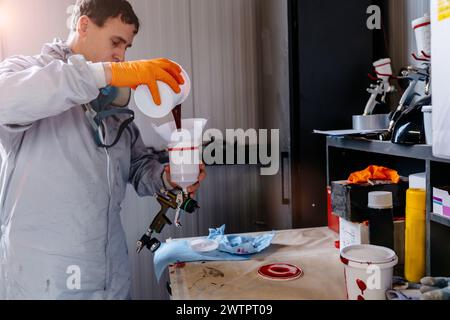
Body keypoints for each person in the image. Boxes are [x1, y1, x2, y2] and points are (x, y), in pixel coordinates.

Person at [0, 0, 206, 299]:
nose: (121, 56)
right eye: (116, 42)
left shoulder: (111, 102)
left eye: (127, 48)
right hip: (46, 276)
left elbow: (137, 165)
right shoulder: (28, 71)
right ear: (83, 26)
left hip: (109, 269)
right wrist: (103, 74)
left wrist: (167, 177)